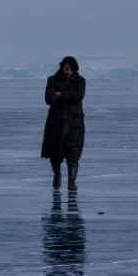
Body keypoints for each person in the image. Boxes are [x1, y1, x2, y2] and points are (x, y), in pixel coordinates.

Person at [41, 56, 86, 191]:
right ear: (62, 68)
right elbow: (49, 99)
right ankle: (57, 176)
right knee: (55, 155)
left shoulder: (80, 81)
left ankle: (72, 182)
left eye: (71, 69)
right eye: (66, 69)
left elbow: (78, 97)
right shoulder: (53, 80)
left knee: (73, 154)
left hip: (75, 124)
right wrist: (67, 97)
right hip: (56, 123)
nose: (68, 71)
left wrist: (62, 95)